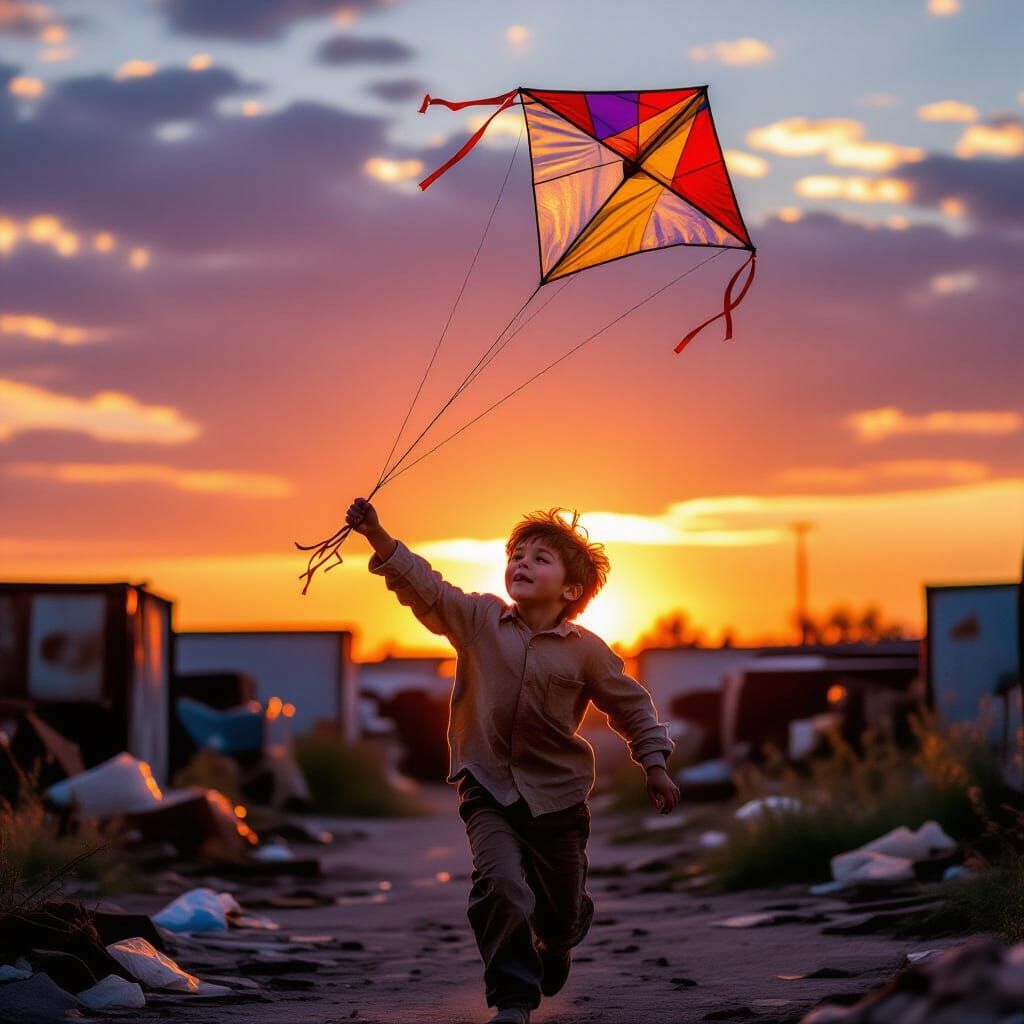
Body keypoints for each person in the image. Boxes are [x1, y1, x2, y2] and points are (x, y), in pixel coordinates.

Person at [346, 498, 680, 1024]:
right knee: (500, 886)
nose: (521, 563)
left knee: (559, 911)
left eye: (539, 558)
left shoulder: (586, 650)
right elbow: (426, 588)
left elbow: (631, 703)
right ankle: (513, 1000)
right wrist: (377, 535)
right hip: (486, 786)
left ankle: (561, 938)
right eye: (516, 555)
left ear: (571, 590)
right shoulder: (478, 620)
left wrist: (654, 763)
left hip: (560, 796)